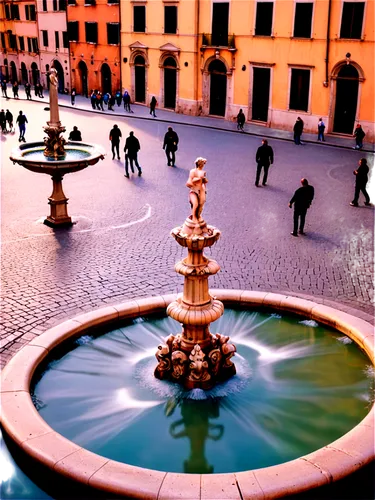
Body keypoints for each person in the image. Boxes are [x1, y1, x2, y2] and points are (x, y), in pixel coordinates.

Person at [186, 157, 208, 223]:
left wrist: (204, 182)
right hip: (194, 190)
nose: (202, 165)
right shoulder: (193, 171)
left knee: (201, 204)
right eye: (201, 163)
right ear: (198, 164)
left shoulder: (203, 172)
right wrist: (198, 179)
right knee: (195, 204)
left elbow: (203, 182)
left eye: (203, 164)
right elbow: (189, 182)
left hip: (201, 190)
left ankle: (198, 216)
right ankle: (194, 218)